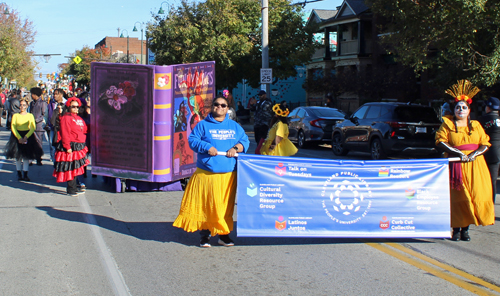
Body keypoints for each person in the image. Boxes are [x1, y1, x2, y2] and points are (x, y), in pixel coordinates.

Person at [173, 96, 250, 248]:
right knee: (207, 205)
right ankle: (205, 236)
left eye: (223, 105)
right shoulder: (203, 125)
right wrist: (207, 147)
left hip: (228, 175)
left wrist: (235, 149)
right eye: (216, 104)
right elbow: (193, 140)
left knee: (225, 206)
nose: (219, 107)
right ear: (212, 107)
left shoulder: (234, 126)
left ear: (228, 109)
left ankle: (223, 235)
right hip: (207, 173)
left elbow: (244, 142)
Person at [435, 80, 495, 241]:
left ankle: (466, 230)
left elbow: (485, 143)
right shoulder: (448, 124)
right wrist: (458, 154)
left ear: (469, 110)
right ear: (454, 110)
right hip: (456, 165)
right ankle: (455, 229)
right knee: (458, 197)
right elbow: (441, 141)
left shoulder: (475, 125)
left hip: (475, 165)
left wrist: (474, 155)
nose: (460, 110)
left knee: (474, 195)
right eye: (458, 107)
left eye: (464, 107)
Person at [53, 97, 90, 197]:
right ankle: (71, 189)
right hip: (71, 145)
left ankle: (75, 187)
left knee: (76, 168)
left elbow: (85, 129)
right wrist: (67, 146)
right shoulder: (66, 118)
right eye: (73, 107)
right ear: (69, 107)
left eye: (77, 107)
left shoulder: (78, 118)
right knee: (71, 168)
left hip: (80, 145)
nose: (76, 109)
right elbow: (65, 133)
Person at [3, 98, 44, 181]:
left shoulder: (30, 115)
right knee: (17, 156)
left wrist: (26, 137)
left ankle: (25, 174)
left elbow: (33, 127)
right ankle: (19, 173)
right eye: (21, 105)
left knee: (26, 156)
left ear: (27, 106)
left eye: (24, 105)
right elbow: (13, 126)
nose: (22, 107)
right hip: (17, 136)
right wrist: (19, 137)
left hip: (27, 135)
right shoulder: (15, 115)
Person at [478, 96, 500, 203]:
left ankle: (487, 205)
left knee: (485, 180)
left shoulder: (482, 120)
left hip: (487, 153)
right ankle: (492, 202)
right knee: (493, 180)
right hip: (498, 153)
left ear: (488, 108)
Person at [29, 87, 48, 166]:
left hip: (39, 126)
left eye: (32, 94)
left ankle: (38, 158)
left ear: (35, 94)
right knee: (30, 142)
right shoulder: (32, 103)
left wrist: (36, 120)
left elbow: (44, 114)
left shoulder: (42, 103)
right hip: (31, 126)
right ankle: (30, 158)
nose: (31, 95)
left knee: (38, 143)